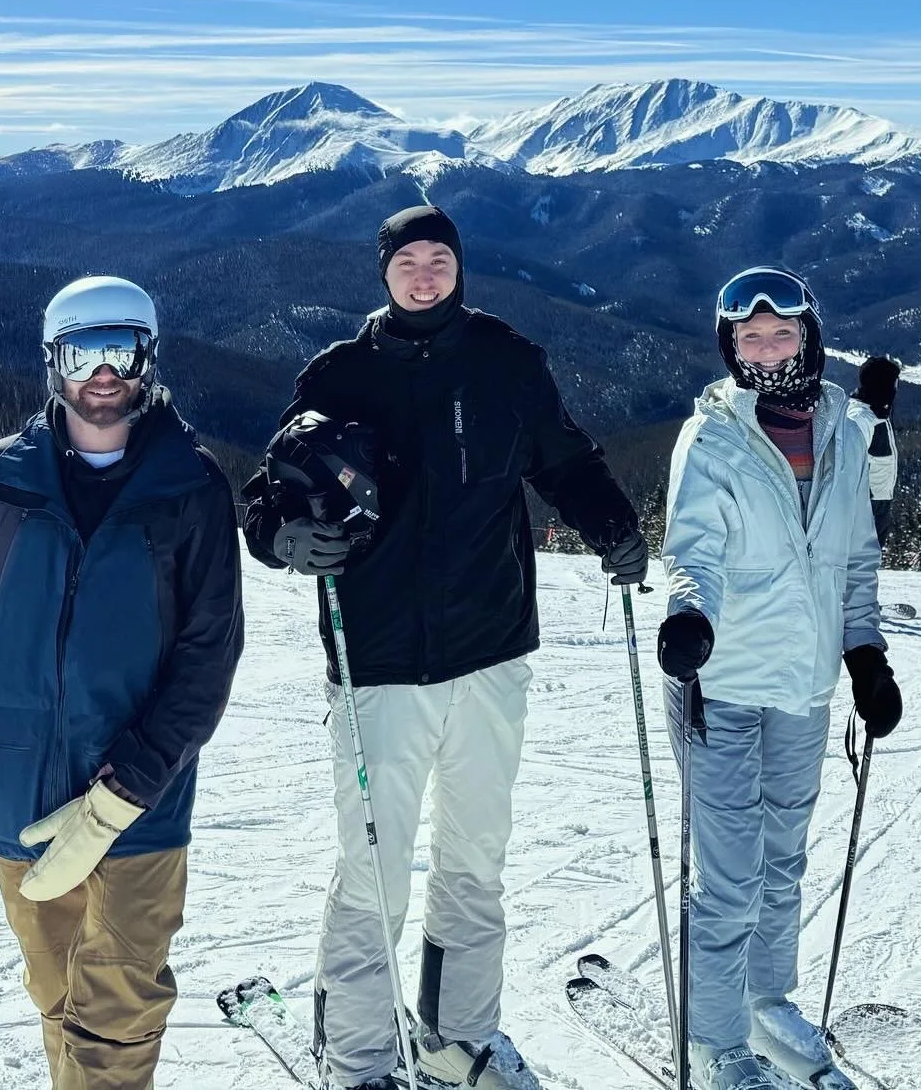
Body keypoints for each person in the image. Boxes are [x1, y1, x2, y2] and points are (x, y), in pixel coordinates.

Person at [241, 204, 647, 1090]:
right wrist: (280, 540)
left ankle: (459, 1035)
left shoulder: (505, 359)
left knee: (475, 858)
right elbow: (268, 487)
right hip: (377, 660)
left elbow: (564, 460)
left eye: (440, 260)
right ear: (383, 273)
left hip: (490, 650)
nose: (425, 276)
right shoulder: (339, 373)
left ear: (460, 267)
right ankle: (355, 1059)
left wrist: (613, 521)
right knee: (373, 870)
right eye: (408, 262)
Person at [0, 275, 244, 1090]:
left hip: (138, 806)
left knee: (117, 1013)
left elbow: (208, 653)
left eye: (120, 350)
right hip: (19, 790)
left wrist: (134, 781)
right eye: (82, 352)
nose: (103, 372)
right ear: (54, 362)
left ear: (147, 358)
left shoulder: (189, 487)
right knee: (57, 997)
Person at [657, 266, 902, 1090]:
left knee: (784, 857)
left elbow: (857, 559)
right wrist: (688, 618)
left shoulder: (842, 426)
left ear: (809, 336)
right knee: (729, 877)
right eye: (748, 338)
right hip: (718, 679)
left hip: (802, 686)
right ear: (730, 347)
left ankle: (768, 999)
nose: (765, 349)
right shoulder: (714, 436)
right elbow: (690, 551)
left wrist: (864, 655)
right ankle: (718, 1044)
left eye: (780, 333)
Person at [852, 356, 900, 549]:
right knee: (861, 563)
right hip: (867, 505)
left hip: (878, 501)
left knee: (870, 561)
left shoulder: (875, 413)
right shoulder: (860, 418)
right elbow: (847, 466)